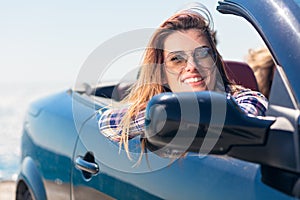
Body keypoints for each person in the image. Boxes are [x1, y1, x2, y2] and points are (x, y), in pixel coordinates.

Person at [97, 3, 268, 158]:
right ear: (162, 74)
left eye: (203, 54)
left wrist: (178, 117)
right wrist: (159, 114)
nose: (192, 66)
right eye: (177, 59)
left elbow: (249, 114)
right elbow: (107, 123)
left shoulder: (245, 98)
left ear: (215, 60)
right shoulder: (156, 107)